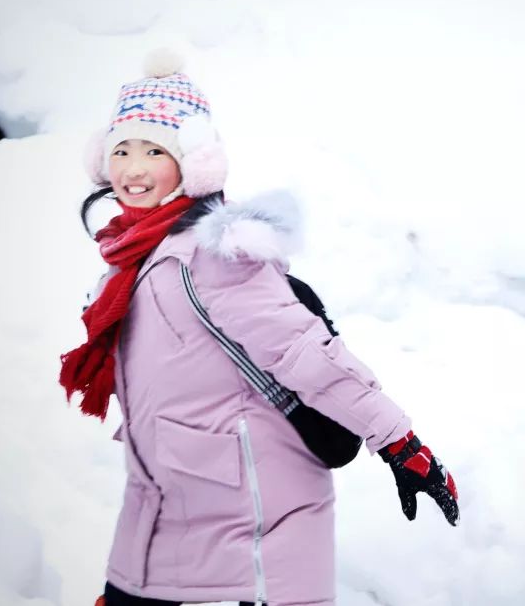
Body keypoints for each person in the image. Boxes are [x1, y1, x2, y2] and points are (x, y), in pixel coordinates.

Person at [60, 49, 459, 606]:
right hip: (177, 499)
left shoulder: (216, 255)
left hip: (261, 502)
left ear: (192, 165)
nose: (133, 168)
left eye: (154, 151)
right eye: (121, 150)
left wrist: (399, 441)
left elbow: (306, 354)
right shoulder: (131, 262)